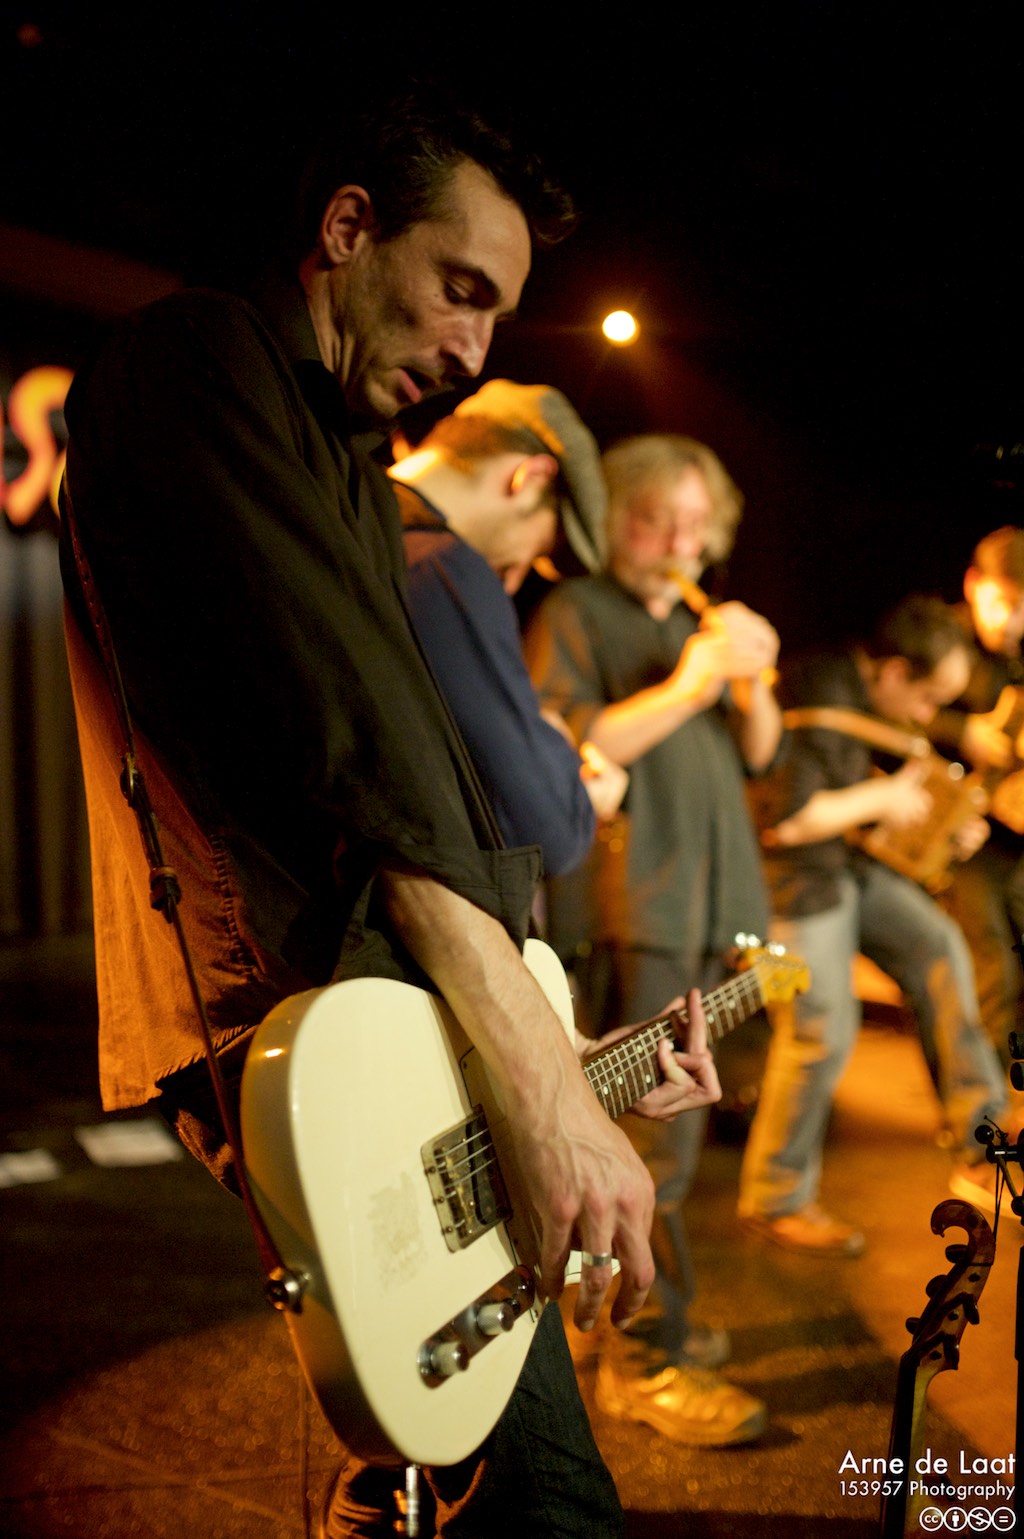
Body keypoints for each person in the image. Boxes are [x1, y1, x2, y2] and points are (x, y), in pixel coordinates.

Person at [59, 93, 719, 1538]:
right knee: (547, 1497)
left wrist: (559, 1054)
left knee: (425, 1449)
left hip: (373, 998)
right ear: (348, 230)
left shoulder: (348, 459)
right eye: (459, 288)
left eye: (499, 315)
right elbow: (355, 749)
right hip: (290, 1004)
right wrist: (543, 1087)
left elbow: (409, 774)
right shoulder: (197, 356)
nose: (474, 349)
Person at [527, 434, 779, 1447]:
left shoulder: (694, 623)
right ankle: (641, 1360)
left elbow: (760, 754)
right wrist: (689, 681)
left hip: (713, 906)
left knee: (678, 1137)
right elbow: (564, 750)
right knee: (645, 1144)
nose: (677, 545)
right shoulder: (576, 612)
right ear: (611, 519)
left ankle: (646, 1321)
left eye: (694, 526)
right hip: (637, 907)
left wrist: (750, 682)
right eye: (651, 521)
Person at [738, 595, 1008, 1255]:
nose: (928, 715)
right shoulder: (815, 695)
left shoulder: (867, 698)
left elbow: (859, 818)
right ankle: (776, 1197)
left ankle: (982, 1146)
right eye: (926, 697)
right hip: (789, 889)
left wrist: (943, 831)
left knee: (938, 947)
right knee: (821, 1032)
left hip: (846, 869)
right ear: (891, 672)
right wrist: (884, 797)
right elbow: (785, 821)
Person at [392, 377, 627, 877]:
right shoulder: (443, 568)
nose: (512, 581)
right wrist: (576, 791)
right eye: (534, 552)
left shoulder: (346, 506)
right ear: (531, 477)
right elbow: (545, 834)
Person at [929, 527, 1024, 1067]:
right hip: (949, 835)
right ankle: (986, 1091)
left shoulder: (1016, 653)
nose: (1013, 622)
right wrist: (962, 731)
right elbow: (891, 710)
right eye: (1003, 603)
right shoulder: (939, 636)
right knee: (989, 963)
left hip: (1005, 833)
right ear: (973, 585)